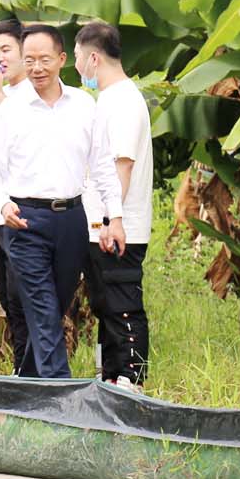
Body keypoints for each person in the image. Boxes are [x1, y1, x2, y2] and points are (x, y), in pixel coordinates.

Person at [0, 25, 124, 379]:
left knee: (52, 309)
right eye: (29, 60)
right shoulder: (11, 109)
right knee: (44, 311)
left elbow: (103, 166)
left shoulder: (84, 105)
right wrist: (3, 205)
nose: (36, 67)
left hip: (71, 220)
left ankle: (27, 384)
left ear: (61, 59)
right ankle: (61, 393)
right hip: (24, 220)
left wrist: (115, 218)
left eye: (44, 59)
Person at [75, 21, 155, 387]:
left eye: (78, 58)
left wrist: (112, 219)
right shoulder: (108, 98)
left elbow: (122, 164)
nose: (77, 66)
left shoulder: (123, 100)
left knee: (122, 306)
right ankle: (109, 378)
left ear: (93, 58)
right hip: (101, 225)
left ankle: (131, 380)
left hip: (119, 227)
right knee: (106, 305)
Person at [0, 18, 35, 374]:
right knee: (7, 294)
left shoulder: (32, 95)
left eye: (6, 50)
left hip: (22, 210)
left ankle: (31, 370)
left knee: (22, 294)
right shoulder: (1, 97)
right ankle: (21, 368)